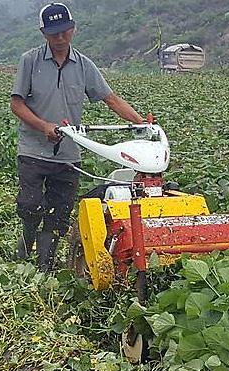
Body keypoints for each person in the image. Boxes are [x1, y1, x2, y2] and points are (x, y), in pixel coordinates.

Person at [10, 2, 144, 271]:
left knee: (59, 213)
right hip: (33, 150)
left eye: (64, 32)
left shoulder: (83, 65)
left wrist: (140, 122)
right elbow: (17, 103)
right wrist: (43, 126)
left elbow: (110, 99)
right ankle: (26, 242)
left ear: (73, 29)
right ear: (43, 33)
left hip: (68, 153)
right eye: (53, 34)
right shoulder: (30, 61)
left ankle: (44, 267)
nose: (60, 39)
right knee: (30, 204)